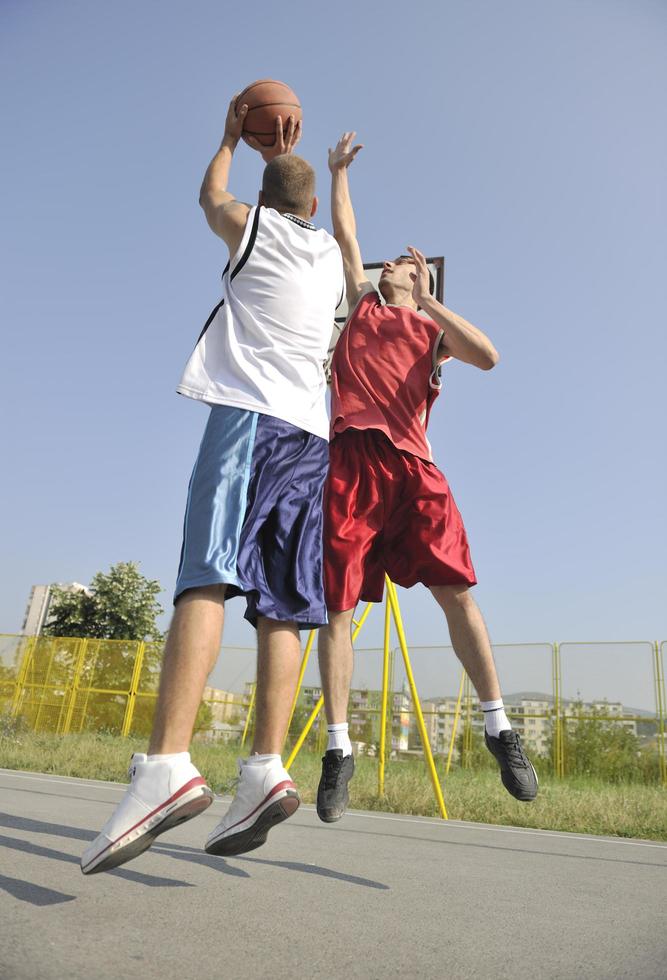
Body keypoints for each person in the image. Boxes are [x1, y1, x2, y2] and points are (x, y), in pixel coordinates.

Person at [81, 99, 345, 874]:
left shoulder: (253, 229)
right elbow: (342, 236)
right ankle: (265, 766)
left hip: (249, 424)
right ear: (316, 209)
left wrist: (229, 138)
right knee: (283, 607)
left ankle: (166, 764)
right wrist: (328, 177)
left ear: (267, 205)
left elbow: (211, 200)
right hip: (312, 439)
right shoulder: (331, 259)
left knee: (205, 576)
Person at [315, 132, 538, 823]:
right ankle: (337, 749)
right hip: (351, 462)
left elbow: (491, 356)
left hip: (413, 471)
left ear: (421, 282)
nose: (390, 269)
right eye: (389, 268)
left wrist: (432, 299)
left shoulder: (430, 333)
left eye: (405, 270)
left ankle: (498, 727)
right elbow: (347, 235)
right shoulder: (361, 305)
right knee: (337, 609)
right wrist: (338, 174)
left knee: (457, 596)